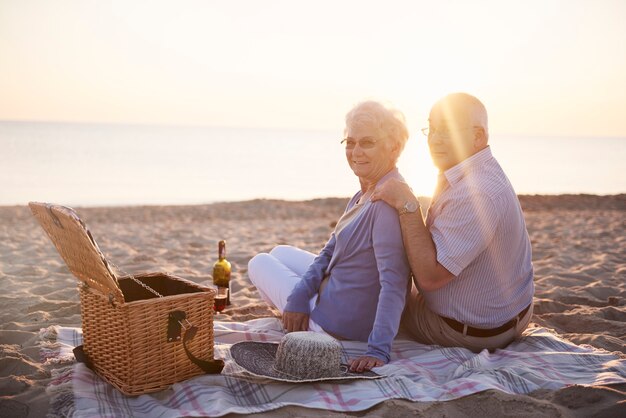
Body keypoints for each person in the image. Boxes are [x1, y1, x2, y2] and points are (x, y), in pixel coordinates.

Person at [248, 100, 411, 372]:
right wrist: (299, 297)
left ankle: (302, 323)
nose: (355, 151)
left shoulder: (384, 204)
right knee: (279, 252)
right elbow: (328, 252)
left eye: (367, 142)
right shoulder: (365, 193)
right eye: (350, 142)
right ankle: (297, 309)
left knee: (258, 262)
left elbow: (394, 282)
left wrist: (378, 350)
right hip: (340, 291)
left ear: (393, 147)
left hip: (338, 324)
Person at [372, 92, 534, 353]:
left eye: (446, 130)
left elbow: (429, 278)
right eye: (431, 129)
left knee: (368, 295)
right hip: (506, 314)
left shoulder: (477, 192)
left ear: (478, 136)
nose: (434, 140)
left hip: (469, 331)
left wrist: (408, 205)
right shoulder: (475, 169)